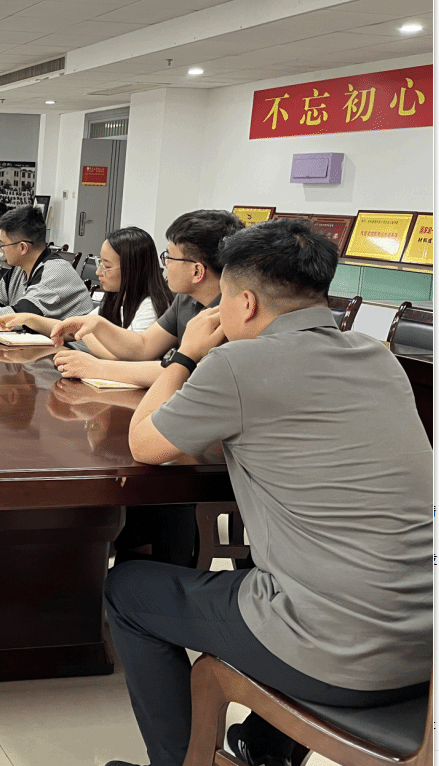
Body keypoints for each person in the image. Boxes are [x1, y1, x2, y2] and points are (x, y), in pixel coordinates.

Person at [104, 218, 431, 766]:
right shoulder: (379, 357)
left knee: (128, 588)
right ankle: (264, 747)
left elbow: (144, 443)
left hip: (340, 656)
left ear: (246, 303)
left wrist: (186, 355)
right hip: (426, 648)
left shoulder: (237, 363)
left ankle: (178, 761)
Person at [48, 210, 244, 388]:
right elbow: (144, 346)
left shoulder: (234, 315)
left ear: (197, 271)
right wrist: (97, 324)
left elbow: (189, 372)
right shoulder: (184, 300)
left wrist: (97, 368)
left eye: (169, 257)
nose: (165, 264)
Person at [0, 226, 172, 337]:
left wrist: (85, 335)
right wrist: (28, 319)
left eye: (107, 266)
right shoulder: (115, 299)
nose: (98, 272)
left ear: (133, 269)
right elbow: (74, 327)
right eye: (99, 263)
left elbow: (128, 356)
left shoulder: (149, 307)